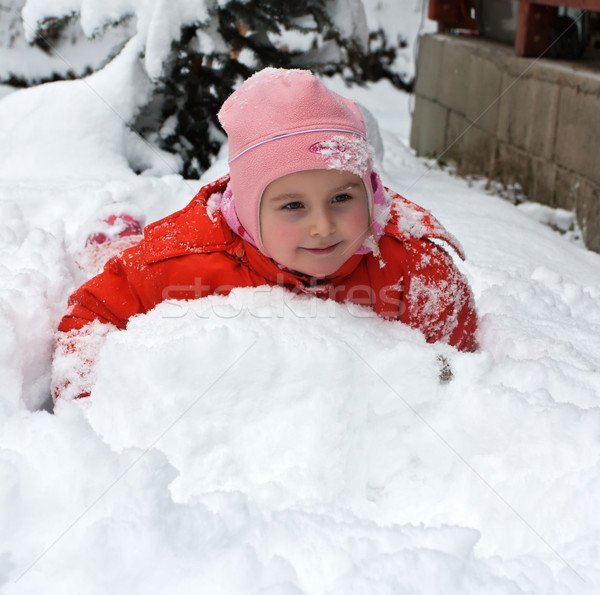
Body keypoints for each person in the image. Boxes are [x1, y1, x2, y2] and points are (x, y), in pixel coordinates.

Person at [52, 67, 477, 401]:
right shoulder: (186, 259)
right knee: (117, 260)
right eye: (293, 206)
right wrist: (88, 408)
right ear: (251, 213)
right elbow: (92, 316)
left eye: (342, 198)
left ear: (370, 191)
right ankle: (114, 237)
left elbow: (460, 363)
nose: (322, 226)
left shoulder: (410, 266)